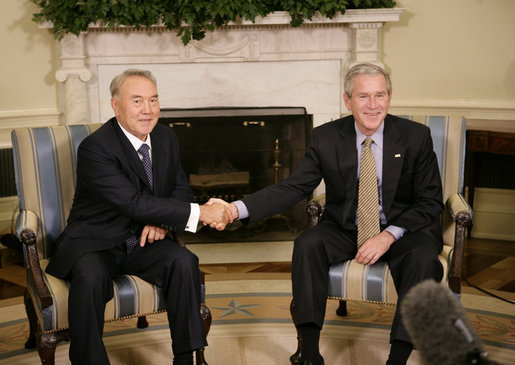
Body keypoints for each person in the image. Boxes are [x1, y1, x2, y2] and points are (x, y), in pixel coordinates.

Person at [210, 63, 444, 365]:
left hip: (402, 230)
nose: (373, 106)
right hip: (346, 227)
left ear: (389, 97)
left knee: (424, 259)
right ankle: (309, 352)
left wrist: (387, 236)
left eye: (380, 96)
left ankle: (397, 358)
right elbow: (294, 187)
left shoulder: (415, 137)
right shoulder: (326, 137)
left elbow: (430, 201)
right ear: (347, 100)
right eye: (363, 97)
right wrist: (234, 209)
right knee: (307, 244)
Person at [45, 69, 233, 365]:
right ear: (115, 105)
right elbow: (132, 202)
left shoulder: (166, 138)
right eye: (137, 101)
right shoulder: (96, 147)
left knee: (184, 262)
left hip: (143, 240)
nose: (148, 110)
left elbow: (180, 190)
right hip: (97, 240)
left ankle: (187, 357)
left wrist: (161, 221)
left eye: (153, 100)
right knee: (91, 276)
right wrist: (202, 213)